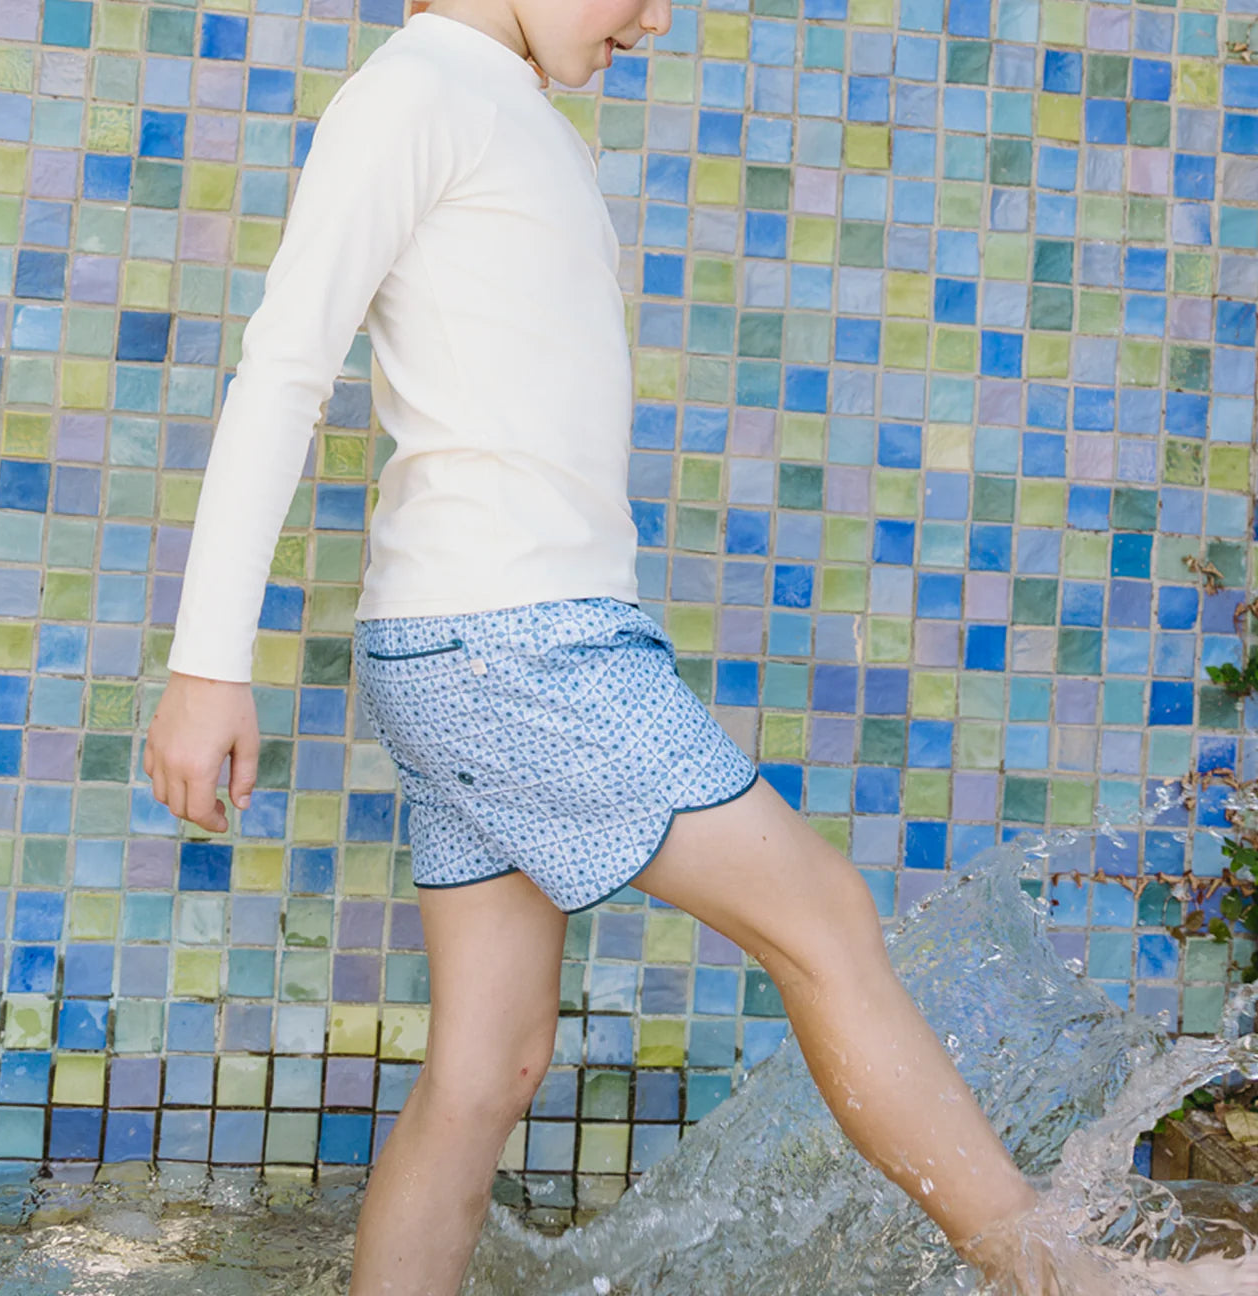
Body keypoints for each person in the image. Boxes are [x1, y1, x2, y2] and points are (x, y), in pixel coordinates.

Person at [143, 2, 1063, 1291]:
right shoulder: (416, 92)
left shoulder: (503, 105)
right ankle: (1061, 1275)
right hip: (513, 648)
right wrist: (206, 663)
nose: (657, 15)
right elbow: (282, 368)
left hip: (487, 646)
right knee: (827, 918)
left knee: (490, 1061)